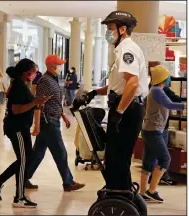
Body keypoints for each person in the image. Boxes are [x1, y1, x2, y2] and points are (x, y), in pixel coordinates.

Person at [72, 11, 148, 191]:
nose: (108, 31)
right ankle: (120, 190)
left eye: (111, 28)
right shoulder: (122, 49)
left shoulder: (127, 50)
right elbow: (118, 85)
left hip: (128, 109)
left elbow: (132, 82)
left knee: (117, 156)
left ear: (123, 29)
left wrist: (119, 113)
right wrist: (93, 93)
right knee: (115, 156)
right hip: (126, 106)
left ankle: (119, 194)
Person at [0, 58, 50, 208]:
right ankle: (19, 197)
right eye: (33, 70)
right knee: (23, 160)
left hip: (22, 127)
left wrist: (37, 103)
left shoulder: (22, 85)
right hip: (17, 128)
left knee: (27, 158)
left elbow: (25, 105)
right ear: (25, 72)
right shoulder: (18, 86)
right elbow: (16, 109)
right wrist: (35, 102)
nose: (35, 73)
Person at [25, 54, 85, 192]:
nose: (61, 67)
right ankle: (68, 183)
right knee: (60, 152)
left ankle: (24, 177)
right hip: (48, 122)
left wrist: (63, 115)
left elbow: (53, 101)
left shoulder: (53, 79)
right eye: (59, 65)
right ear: (52, 67)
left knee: (38, 152)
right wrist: (37, 125)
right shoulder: (45, 81)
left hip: (53, 118)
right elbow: (39, 104)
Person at [140, 65, 184, 203]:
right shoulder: (158, 90)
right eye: (168, 76)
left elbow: (146, 103)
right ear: (163, 78)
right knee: (165, 159)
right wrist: (185, 105)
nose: (169, 78)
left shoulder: (154, 90)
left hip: (149, 129)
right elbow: (170, 105)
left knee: (148, 162)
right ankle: (152, 190)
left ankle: (142, 193)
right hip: (154, 131)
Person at [148, 83, 182, 186]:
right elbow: (176, 100)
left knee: (153, 153)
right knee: (164, 155)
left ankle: (152, 176)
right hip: (161, 127)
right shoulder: (162, 90)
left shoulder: (152, 88)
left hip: (151, 126)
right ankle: (163, 177)